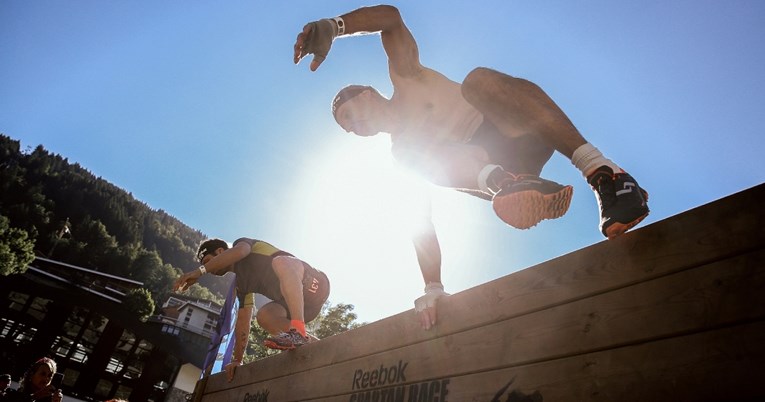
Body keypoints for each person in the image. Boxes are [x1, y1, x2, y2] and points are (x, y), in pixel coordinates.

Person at [293, 5, 649, 330]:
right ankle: (511, 184)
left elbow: (391, 18)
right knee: (408, 158)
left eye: (351, 114)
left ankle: (604, 174)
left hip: (517, 129)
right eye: (348, 128)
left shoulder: (407, 77)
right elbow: (420, 224)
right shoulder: (401, 152)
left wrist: (335, 27)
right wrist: (433, 287)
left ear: (369, 93)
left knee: (478, 80)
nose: (355, 127)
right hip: (490, 170)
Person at [173, 238, 330, 382]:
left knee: (281, 262)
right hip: (303, 308)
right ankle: (317, 345)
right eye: (204, 265)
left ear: (220, 252)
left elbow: (241, 252)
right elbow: (243, 320)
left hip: (315, 286)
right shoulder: (241, 285)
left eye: (208, 261)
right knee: (264, 316)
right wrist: (237, 359)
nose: (209, 269)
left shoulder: (242, 244)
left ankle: (298, 331)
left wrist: (199, 271)